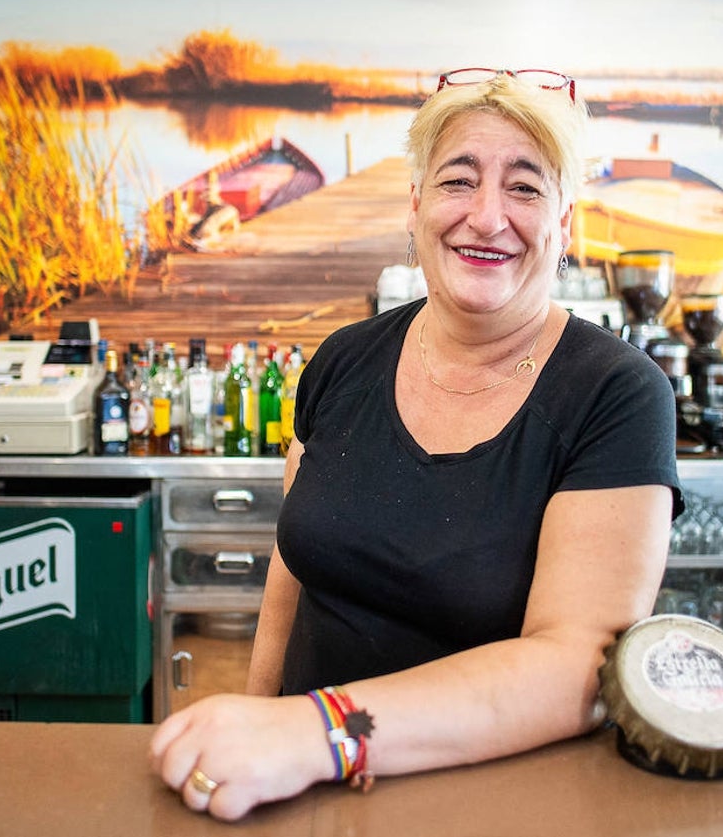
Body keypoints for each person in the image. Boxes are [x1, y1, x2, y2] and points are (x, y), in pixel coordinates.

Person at [149, 68, 682, 821]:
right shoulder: (342, 360)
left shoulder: (616, 395)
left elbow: (576, 668)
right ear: (417, 206)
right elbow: (290, 573)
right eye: (458, 180)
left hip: (491, 808)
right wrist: (257, 711)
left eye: (526, 188)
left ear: (565, 226)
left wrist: (319, 729)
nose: (487, 216)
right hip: (302, 792)